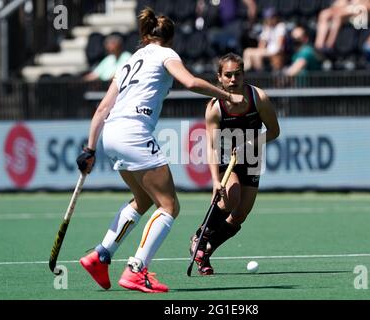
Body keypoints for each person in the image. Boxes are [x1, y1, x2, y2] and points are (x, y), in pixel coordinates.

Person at [76, 8, 245, 293]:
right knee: (169, 206)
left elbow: (103, 108)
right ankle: (136, 269)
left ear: (145, 36)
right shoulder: (166, 54)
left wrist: (89, 148)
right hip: (134, 132)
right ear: (171, 38)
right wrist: (227, 95)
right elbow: (190, 82)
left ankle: (100, 255)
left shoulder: (129, 61)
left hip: (112, 133)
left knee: (141, 200)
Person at [189, 52, 280, 275]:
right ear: (219, 78)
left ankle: (206, 252)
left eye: (237, 74)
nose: (232, 79)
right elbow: (210, 147)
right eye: (227, 75)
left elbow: (275, 131)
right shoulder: (215, 107)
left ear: (243, 75)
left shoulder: (258, 98)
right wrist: (214, 181)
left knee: (240, 214)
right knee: (232, 193)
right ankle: (199, 238)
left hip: (251, 156)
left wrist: (250, 144)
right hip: (224, 155)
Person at [242, 7, 287, 72]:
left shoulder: (281, 26)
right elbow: (262, 44)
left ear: (276, 17)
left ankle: (261, 75)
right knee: (247, 51)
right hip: (268, 50)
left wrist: (261, 51)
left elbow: (280, 44)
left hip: (276, 51)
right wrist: (260, 49)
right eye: (268, 18)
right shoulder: (267, 27)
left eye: (271, 17)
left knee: (257, 55)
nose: (269, 20)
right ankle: (246, 71)